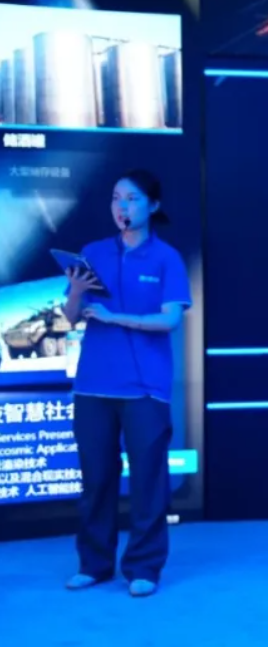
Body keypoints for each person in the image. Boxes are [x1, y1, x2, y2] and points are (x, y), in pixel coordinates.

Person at [62, 169, 192, 598]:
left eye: (132, 198)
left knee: (148, 481)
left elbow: (170, 320)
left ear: (152, 205)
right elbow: (72, 317)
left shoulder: (166, 258)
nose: (122, 206)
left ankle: (144, 566)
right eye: (117, 197)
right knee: (96, 480)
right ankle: (94, 564)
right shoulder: (93, 252)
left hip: (145, 388)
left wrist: (116, 317)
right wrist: (76, 292)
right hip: (93, 386)